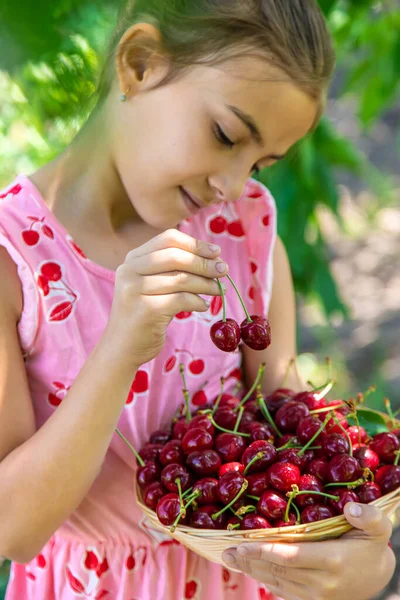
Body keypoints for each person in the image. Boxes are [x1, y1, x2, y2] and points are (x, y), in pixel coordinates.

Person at [0, 1, 395, 599]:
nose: (234, 185)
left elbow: (289, 433)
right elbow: (14, 528)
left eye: (260, 162)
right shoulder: (14, 259)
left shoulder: (245, 230)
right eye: (226, 135)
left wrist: (364, 563)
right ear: (139, 64)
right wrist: (121, 347)